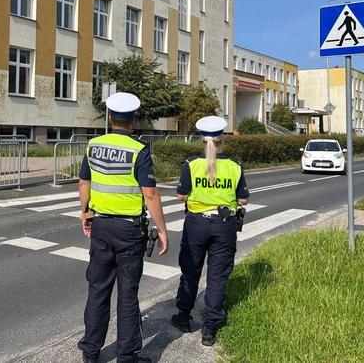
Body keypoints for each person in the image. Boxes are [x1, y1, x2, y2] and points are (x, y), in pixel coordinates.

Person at [77, 92, 169, 363]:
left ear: (109, 117)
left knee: (97, 290)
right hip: (129, 231)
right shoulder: (139, 150)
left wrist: (85, 214)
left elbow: (84, 183)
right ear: (133, 119)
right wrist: (162, 230)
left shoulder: (93, 145)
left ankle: (91, 353)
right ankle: (126, 356)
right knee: (127, 294)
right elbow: (150, 193)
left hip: (102, 226)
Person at [170, 116, 249, 346]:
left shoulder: (192, 163)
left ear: (201, 140)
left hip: (196, 225)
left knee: (190, 271)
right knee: (217, 277)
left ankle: (183, 317)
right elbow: (243, 199)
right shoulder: (234, 165)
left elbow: (181, 196)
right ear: (222, 138)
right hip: (224, 226)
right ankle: (210, 329)